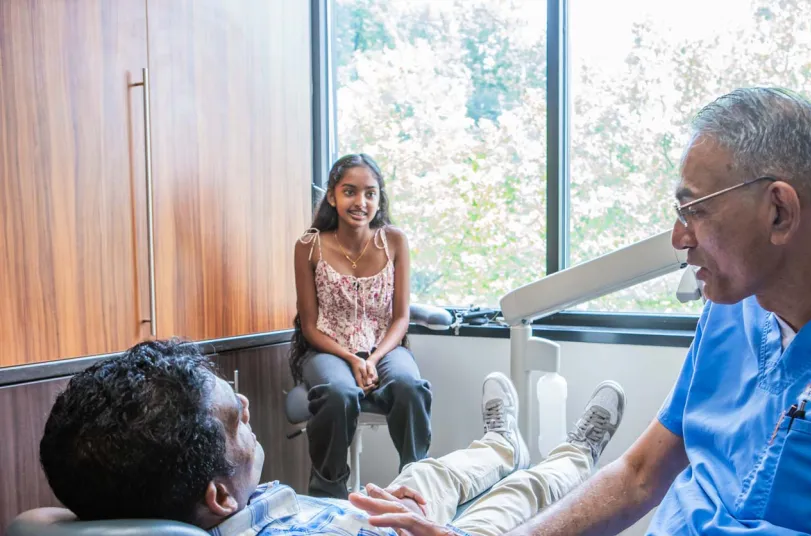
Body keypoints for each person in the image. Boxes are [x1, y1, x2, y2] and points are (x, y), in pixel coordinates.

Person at [506, 87, 811, 535]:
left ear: (779, 211)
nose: (680, 239)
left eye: (695, 211)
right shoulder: (733, 306)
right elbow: (639, 474)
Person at [38, 339, 627, 536]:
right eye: (234, 418)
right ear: (218, 495)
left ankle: (500, 444)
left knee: (427, 474)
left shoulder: (221, 505)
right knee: (517, 500)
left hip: (366, 514)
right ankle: (578, 454)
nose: (246, 403)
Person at [290, 153, 432, 499]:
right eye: (350, 191)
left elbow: (401, 318)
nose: (361, 202)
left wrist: (372, 357)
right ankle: (329, 494)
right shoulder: (308, 246)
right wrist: (353, 359)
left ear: (379, 198)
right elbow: (309, 326)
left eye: (370, 193)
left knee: (410, 386)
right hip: (326, 347)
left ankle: (415, 486)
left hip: (384, 346)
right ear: (332, 196)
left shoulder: (394, 241)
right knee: (339, 393)